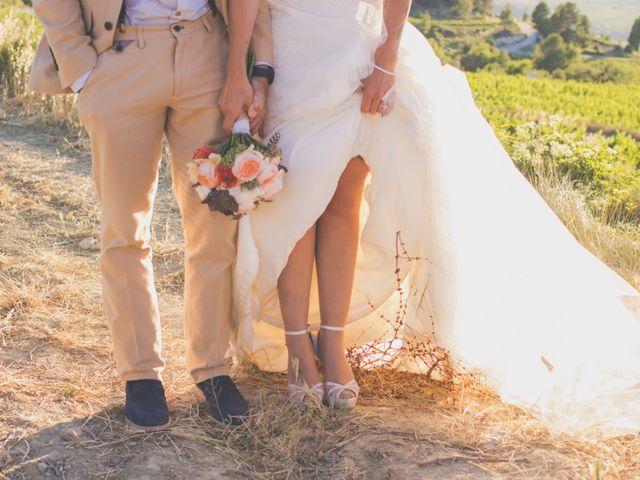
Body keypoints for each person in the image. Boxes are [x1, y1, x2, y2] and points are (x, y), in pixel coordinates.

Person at [231, 0, 640, 437]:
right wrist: (260, 75)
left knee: (342, 200)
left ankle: (332, 344)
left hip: (358, 51)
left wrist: (387, 54)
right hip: (294, 61)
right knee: (296, 203)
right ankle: (297, 347)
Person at [29, 0, 274, 430]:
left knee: (214, 228)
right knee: (124, 229)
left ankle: (213, 367)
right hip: (118, 62)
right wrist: (81, 69)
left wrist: (250, 68)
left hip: (206, 56)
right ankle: (140, 373)